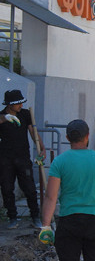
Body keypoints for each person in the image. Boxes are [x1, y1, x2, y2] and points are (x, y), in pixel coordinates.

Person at [39, 120, 95, 261]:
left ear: (67, 138)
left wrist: (45, 225)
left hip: (69, 222)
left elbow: (50, 197)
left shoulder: (59, 162)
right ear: (88, 136)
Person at [0, 89, 44, 229]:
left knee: (30, 188)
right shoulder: (2, 117)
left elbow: (33, 132)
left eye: (21, 102)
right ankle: (12, 217)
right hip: (5, 159)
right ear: (9, 104)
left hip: (23, 157)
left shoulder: (25, 114)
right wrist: (3, 119)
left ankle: (35, 216)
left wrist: (41, 148)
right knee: (7, 188)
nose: (20, 105)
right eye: (17, 103)